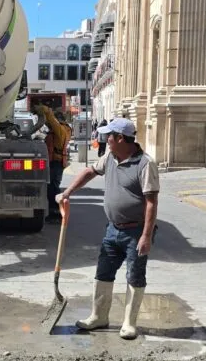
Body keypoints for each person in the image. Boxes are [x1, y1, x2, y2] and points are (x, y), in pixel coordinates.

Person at [56, 118, 159, 340]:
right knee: (103, 272)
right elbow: (89, 172)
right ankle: (98, 316)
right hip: (113, 229)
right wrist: (67, 193)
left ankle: (129, 323)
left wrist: (146, 236)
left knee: (135, 275)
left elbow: (151, 202)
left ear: (120, 138)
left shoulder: (145, 164)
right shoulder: (110, 157)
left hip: (135, 232)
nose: (105, 140)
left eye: (108, 136)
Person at [36, 104, 71, 223]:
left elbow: (53, 123)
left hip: (56, 162)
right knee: (52, 187)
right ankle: (54, 211)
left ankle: (56, 212)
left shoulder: (61, 129)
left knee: (53, 188)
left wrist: (47, 111)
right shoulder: (61, 130)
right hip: (55, 162)